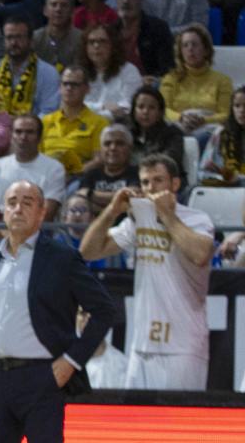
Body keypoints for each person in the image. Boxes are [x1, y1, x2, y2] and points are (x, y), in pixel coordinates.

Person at [0, 181, 114, 443]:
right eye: (11, 203)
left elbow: (104, 310)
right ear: (3, 211)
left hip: (42, 377)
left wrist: (72, 361)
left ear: (42, 212)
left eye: (27, 203)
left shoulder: (61, 258)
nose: (18, 209)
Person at [80, 155, 214, 390]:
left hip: (182, 346)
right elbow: (88, 251)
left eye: (158, 180)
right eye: (145, 182)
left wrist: (167, 215)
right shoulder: (138, 221)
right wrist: (112, 211)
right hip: (141, 344)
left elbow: (200, 254)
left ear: (175, 184)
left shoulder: (197, 219)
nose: (151, 188)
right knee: (138, 422)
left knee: (181, 422)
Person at [160, 24, 233, 139]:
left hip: (209, 129)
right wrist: (181, 117)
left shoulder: (223, 81)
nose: (190, 49)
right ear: (180, 52)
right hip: (178, 127)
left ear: (206, 50)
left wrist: (204, 120)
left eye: (194, 44)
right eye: (185, 45)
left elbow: (226, 114)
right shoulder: (171, 79)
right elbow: (163, 109)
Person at [0, 115, 66, 219]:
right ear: (12, 136)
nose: (23, 137)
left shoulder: (55, 168)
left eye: (30, 132)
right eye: (18, 132)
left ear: (39, 137)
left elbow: (47, 212)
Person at [40, 65, 108, 177]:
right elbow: (36, 157)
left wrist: (73, 173)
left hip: (79, 178)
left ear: (87, 89)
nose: (69, 88)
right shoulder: (45, 121)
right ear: (60, 87)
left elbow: (99, 160)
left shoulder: (99, 123)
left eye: (74, 84)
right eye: (65, 84)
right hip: (46, 176)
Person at [0, 16, 61, 116]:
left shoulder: (49, 73)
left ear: (31, 41)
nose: (14, 43)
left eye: (19, 37)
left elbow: (49, 112)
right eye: (9, 37)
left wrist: (21, 125)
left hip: (34, 130)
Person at [114, 0, 174, 82]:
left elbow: (167, 68)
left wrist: (154, 80)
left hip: (148, 87)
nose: (125, 1)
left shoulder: (158, 28)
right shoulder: (109, 30)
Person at [78, 22, 141, 121]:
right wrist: (102, 106)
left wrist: (90, 111)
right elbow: (73, 104)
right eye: (91, 42)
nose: (96, 46)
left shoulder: (129, 71)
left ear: (113, 45)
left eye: (102, 41)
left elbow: (127, 109)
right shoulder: (78, 72)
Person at [75, 123, 139, 216]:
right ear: (101, 149)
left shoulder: (137, 172)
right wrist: (119, 205)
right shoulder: (91, 175)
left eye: (119, 143)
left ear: (130, 148)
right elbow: (81, 201)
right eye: (107, 144)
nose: (113, 148)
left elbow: (132, 196)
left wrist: (90, 194)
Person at [128, 86, 186, 179]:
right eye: (140, 107)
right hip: (132, 182)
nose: (145, 112)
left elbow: (169, 162)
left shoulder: (172, 133)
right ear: (133, 111)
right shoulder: (127, 134)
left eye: (152, 108)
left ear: (160, 112)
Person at [198, 85, 245, 185]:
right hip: (222, 183)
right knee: (192, 190)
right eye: (237, 106)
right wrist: (222, 176)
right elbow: (203, 172)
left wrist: (238, 178)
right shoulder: (221, 132)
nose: (241, 111)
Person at [77, 309, 128, 389]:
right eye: (83, 314)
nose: (88, 320)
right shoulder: (64, 365)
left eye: (94, 314)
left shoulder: (123, 366)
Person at [32, 0, 82, 67]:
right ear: (45, 10)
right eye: (54, 4)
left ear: (72, 12)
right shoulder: (34, 38)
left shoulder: (81, 38)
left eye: (64, 5)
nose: (58, 9)